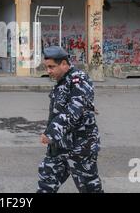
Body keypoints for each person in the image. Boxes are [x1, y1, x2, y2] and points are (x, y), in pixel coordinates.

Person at [37, 46, 103, 193]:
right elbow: (57, 112)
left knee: (90, 188)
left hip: (80, 148)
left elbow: (74, 110)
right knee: (46, 184)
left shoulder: (79, 80)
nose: (48, 71)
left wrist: (51, 133)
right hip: (59, 147)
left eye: (51, 67)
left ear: (64, 64)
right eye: (46, 67)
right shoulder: (62, 81)